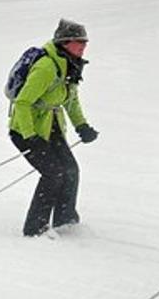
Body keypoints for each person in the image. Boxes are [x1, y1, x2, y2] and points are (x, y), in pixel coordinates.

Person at [8, 18, 99, 237]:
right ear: (65, 43)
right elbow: (22, 102)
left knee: (70, 170)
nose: (84, 46)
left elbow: (71, 100)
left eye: (85, 42)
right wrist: (30, 136)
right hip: (25, 130)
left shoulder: (70, 64)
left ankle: (65, 221)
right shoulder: (47, 67)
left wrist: (82, 126)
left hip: (51, 126)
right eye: (79, 42)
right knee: (53, 173)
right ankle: (34, 229)